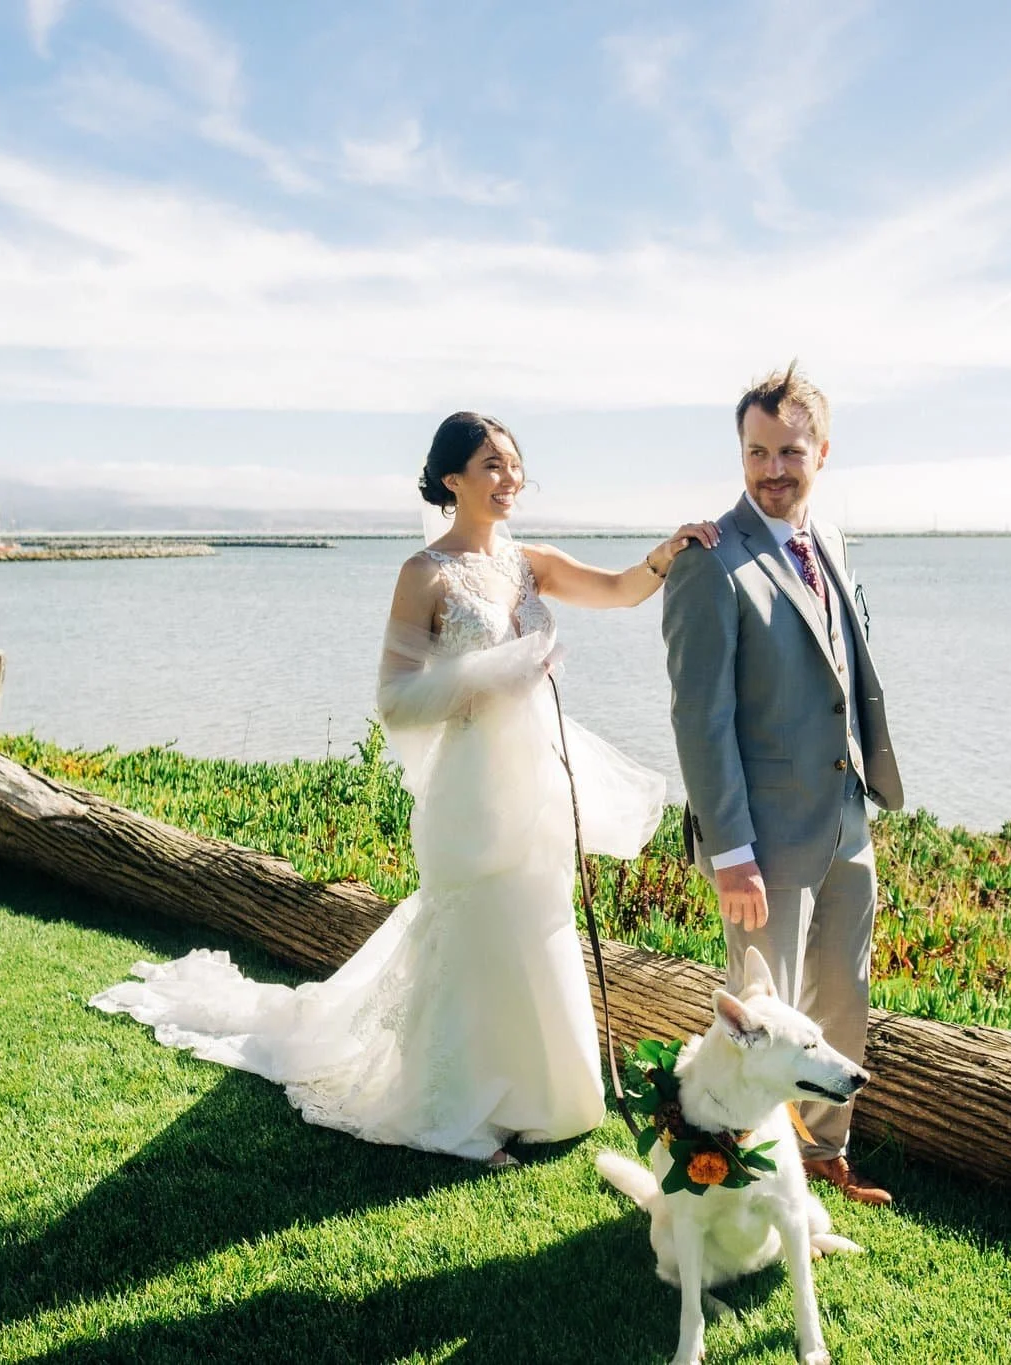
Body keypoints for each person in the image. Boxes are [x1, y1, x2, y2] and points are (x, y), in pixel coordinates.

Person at [92, 411, 718, 1165]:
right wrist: (499, 673)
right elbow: (396, 698)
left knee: (535, 923)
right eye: (492, 465)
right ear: (452, 479)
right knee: (474, 930)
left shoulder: (531, 563)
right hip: (470, 783)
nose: (510, 477)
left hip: (539, 777)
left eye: (514, 463)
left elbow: (618, 590)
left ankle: (543, 1097)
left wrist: (667, 553)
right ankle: (456, 1106)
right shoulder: (425, 574)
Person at [660, 364, 905, 1206]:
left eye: (789, 451)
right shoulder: (709, 562)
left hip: (844, 820)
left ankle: (826, 1153)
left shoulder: (827, 539)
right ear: (740, 452)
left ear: (821, 453)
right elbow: (701, 719)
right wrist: (731, 850)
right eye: (756, 451)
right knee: (762, 1023)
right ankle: (750, 1182)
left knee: (841, 996)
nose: (772, 468)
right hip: (759, 841)